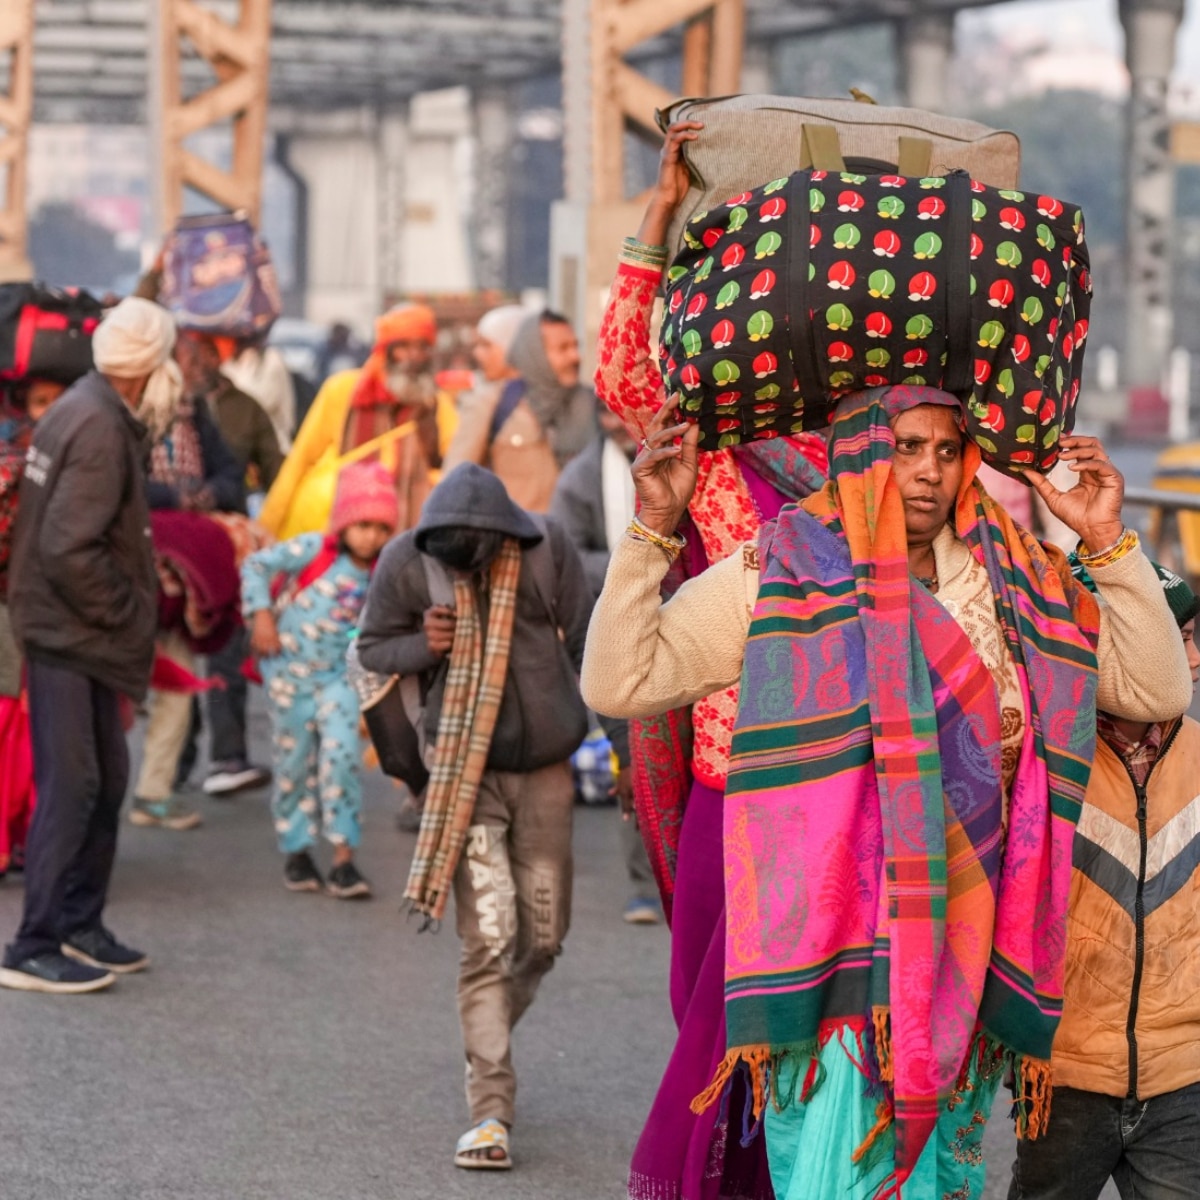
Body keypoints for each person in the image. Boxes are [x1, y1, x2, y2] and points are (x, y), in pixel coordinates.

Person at [582, 387, 1194, 1200]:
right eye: (906, 447)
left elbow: (1155, 691)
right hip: (832, 962)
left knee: (943, 1179)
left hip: (966, 958)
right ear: (858, 452)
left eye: (947, 450)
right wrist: (652, 531)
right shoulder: (783, 567)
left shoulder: (1017, 581)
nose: (929, 471)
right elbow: (621, 681)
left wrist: (1107, 541)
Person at [594, 120, 827, 1200]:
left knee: (788, 1015)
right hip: (725, 772)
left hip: (831, 778)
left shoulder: (879, 460)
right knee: (706, 999)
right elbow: (623, 373)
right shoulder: (718, 448)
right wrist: (658, 214)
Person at [357, 462, 593, 1170]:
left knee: (542, 938)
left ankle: (484, 1031)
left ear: (501, 538)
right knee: (487, 941)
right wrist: (422, 645)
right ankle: (490, 1110)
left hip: (546, 771)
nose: (460, 569)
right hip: (463, 773)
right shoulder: (407, 560)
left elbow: (591, 648)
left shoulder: (547, 548)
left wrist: (630, 758)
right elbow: (372, 648)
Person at [1008, 566, 1200, 1200]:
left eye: (1191, 638)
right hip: (1062, 1078)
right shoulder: (1037, 760)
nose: (1192, 662)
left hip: (1184, 1079)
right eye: (1174, 643)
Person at [0, 298, 173, 994]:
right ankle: (32, 943)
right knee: (74, 787)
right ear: (148, 366)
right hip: (71, 631)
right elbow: (70, 547)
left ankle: (80, 922)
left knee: (104, 781)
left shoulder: (82, 405)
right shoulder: (99, 424)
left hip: (70, 626)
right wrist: (128, 610)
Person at [241, 462, 398, 899]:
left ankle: (344, 858)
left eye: (381, 528)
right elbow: (255, 565)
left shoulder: (383, 572)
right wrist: (261, 616)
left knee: (342, 760)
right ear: (344, 522)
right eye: (362, 525)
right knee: (293, 766)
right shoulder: (314, 550)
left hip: (339, 681)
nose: (371, 537)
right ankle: (297, 850)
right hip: (288, 676)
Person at [550, 404, 661, 924]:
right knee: (636, 751)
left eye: (626, 415)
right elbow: (567, 555)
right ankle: (645, 885)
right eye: (609, 415)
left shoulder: (675, 461)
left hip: (681, 615)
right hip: (614, 631)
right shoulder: (580, 477)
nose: (618, 425)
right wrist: (639, 558)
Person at [129, 353, 246, 832]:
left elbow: (229, 474)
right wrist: (171, 497)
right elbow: (121, 483)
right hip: (129, 575)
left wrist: (205, 495)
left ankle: (153, 792)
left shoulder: (195, 417)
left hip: (182, 586)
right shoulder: (123, 420)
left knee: (176, 683)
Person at [172, 329, 280, 799]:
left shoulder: (245, 409)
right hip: (174, 550)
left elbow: (263, 472)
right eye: (188, 357)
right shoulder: (163, 411)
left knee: (226, 653)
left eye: (204, 356)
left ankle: (228, 757)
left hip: (224, 546)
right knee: (176, 656)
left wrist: (215, 492)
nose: (197, 365)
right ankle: (174, 765)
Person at [259, 303, 457, 539]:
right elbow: (301, 460)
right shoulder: (343, 391)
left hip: (407, 538)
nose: (414, 357)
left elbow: (455, 469)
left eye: (422, 347)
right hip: (342, 540)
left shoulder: (437, 405)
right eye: (404, 347)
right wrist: (267, 527)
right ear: (385, 350)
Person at [1, 376, 72, 879]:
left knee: (34, 729)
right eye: (40, 402)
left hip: (42, 612)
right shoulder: (15, 467)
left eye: (56, 401)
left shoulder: (61, 461)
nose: (49, 412)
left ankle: (31, 836)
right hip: (12, 612)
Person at [444, 309, 598, 513]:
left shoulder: (593, 405)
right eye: (563, 349)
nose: (575, 357)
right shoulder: (493, 403)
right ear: (534, 353)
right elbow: (454, 484)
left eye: (575, 346)